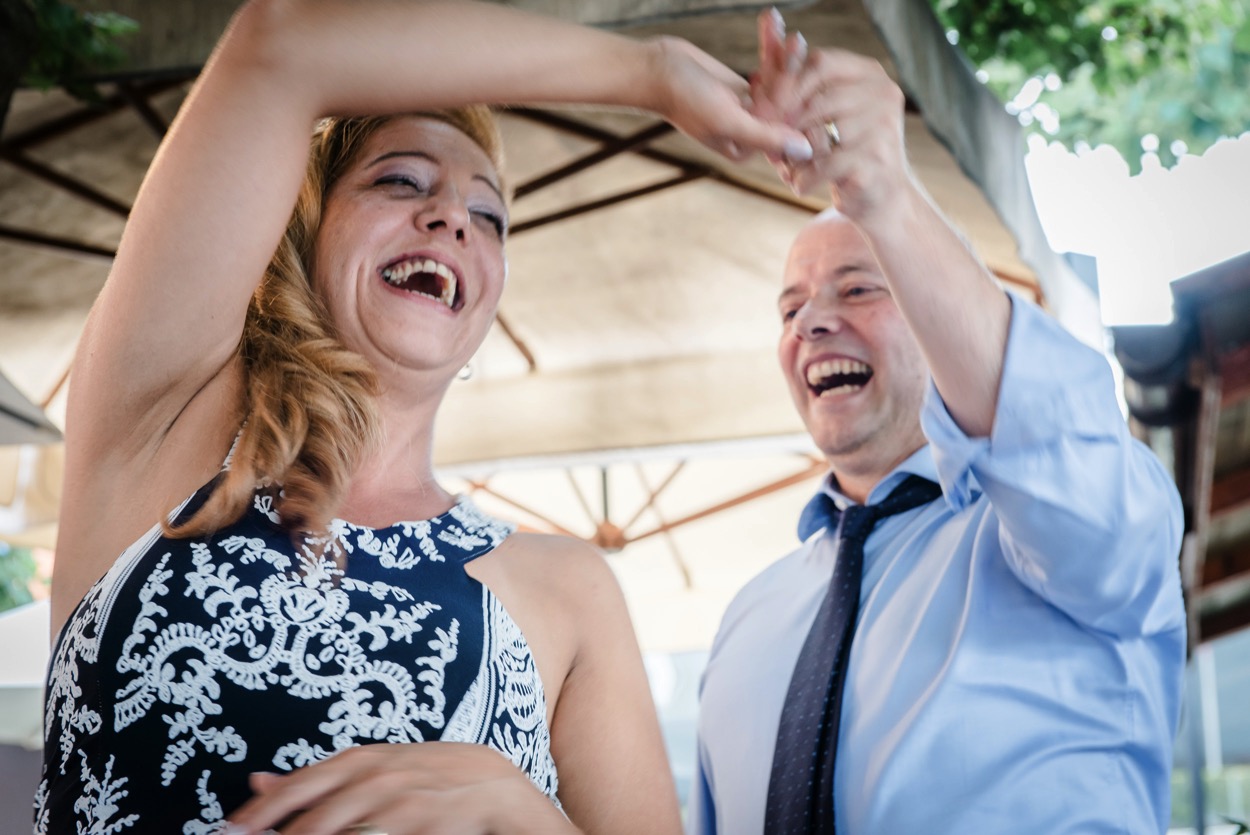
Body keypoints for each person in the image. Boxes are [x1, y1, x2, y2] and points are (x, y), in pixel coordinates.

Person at [35, 2, 817, 833]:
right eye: (400, 181)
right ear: (303, 231)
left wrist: (526, 818)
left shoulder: (569, 591)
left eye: (488, 217)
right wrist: (651, 73)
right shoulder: (162, 420)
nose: (452, 216)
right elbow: (280, 43)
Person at [690, 11, 1187, 834]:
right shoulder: (748, 615)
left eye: (859, 287)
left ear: (936, 312)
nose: (811, 323)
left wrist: (884, 194)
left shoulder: (1070, 534)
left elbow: (1044, 429)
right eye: (790, 307)